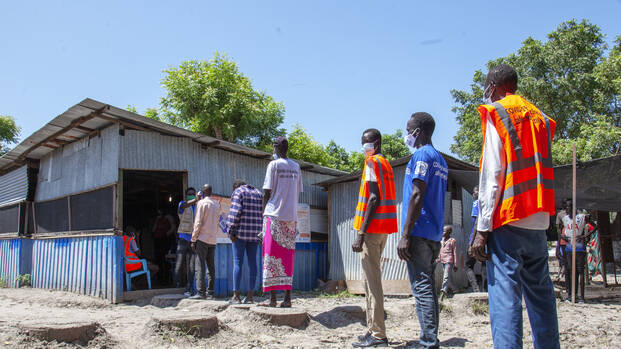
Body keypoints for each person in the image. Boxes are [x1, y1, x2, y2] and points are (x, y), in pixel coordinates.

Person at [470, 64, 560, 349]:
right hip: (538, 218)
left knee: (505, 297)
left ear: (494, 87)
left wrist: (482, 228)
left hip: (509, 217)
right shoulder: (541, 118)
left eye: (486, 88)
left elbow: (492, 176)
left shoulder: (498, 113)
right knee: (541, 296)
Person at [397, 112, 448, 349]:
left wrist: (405, 234)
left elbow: (417, 194)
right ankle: (430, 337)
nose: (406, 134)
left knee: (422, 288)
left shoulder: (421, 155)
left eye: (409, 129)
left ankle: (428, 341)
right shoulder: (441, 159)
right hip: (434, 233)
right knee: (428, 287)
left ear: (419, 131)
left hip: (419, 232)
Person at [351, 128, 398, 348]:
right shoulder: (386, 164)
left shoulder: (372, 163)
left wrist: (361, 233)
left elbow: (373, 198)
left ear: (376, 144)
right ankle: (372, 330)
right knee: (368, 282)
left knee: (373, 283)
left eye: (366, 143)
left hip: (371, 230)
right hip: (382, 229)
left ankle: (379, 335)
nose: (364, 147)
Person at [259, 136, 303, 308]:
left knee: (270, 259)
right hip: (291, 219)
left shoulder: (273, 165)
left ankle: (272, 300)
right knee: (287, 259)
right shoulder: (296, 166)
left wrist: (262, 214)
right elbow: (298, 191)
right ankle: (287, 299)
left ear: (276, 148)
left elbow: (266, 192)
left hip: (273, 216)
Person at [226, 179, 263, 304]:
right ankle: (250, 296)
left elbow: (235, 213)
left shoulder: (238, 192)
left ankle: (236, 296)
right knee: (253, 263)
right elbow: (263, 214)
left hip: (240, 234)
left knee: (238, 263)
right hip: (255, 235)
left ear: (235, 187)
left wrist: (231, 231)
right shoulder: (258, 193)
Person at [190, 184, 220, 300]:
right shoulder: (216, 204)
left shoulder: (201, 203)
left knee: (200, 265)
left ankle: (200, 292)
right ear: (211, 192)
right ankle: (211, 292)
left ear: (202, 192)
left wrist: (193, 239)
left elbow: (198, 223)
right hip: (212, 239)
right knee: (211, 266)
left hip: (202, 238)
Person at [174, 187, 200, 297]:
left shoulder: (198, 206)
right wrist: (195, 199)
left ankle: (189, 288)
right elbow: (184, 206)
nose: (191, 195)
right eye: (189, 194)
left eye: (192, 194)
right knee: (179, 264)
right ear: (186, 195)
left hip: (193, 239)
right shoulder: (182, 204)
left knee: (191, 266)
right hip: (183, 238)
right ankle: (177, 286)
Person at [561, 203, 588, 303]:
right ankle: (573, 295)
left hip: (579, 248)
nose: (567, 210)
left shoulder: (581, 217)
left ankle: (582, 296)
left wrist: (585, 236)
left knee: (580, 271)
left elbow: (595, 226)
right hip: (569, 248)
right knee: (572, 272)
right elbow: (560, 229)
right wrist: (563, 237)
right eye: (566, 208)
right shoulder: (564, 218)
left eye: (568, 208)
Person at [465, 187, 483, 292]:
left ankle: (476, 289)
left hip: (476, 238)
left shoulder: (476, 203)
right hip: (486, 238)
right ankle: (486, 289)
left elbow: (476, 222)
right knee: (485, 264)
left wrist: (471, 243)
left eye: (476, 192)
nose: (474, 194)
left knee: (468, 265)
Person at [152, 209, 174, 283]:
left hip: (165, 241)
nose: (159, 215)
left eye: (160, 214)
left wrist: (167, 234)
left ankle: (166, 279)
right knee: (158, 260)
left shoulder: (168, 218)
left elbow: (173, 227)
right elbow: (153, 230)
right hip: (157, 241)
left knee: (166, 260)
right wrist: (156, 221)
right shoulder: (157, 220)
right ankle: (160, 279)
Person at [438, 225, 458, 300]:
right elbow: (440, 251)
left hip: (449, 260)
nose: (443, 232)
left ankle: (443, 293)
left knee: (446, 277)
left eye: (444, 231)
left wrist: (456, 264)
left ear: (449, 232)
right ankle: (455, 289)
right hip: (443, 260)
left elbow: (455, 253)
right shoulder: (441, 240)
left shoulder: (452, 241)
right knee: (449, 277)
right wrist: (438, 259)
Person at [555, 199, 571, 283]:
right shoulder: (560, 215)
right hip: (564, 241)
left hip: (575, 241)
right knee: (566, 263)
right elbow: (558, 229)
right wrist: (559, 244)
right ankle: (568, 285)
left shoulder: (577, 213)